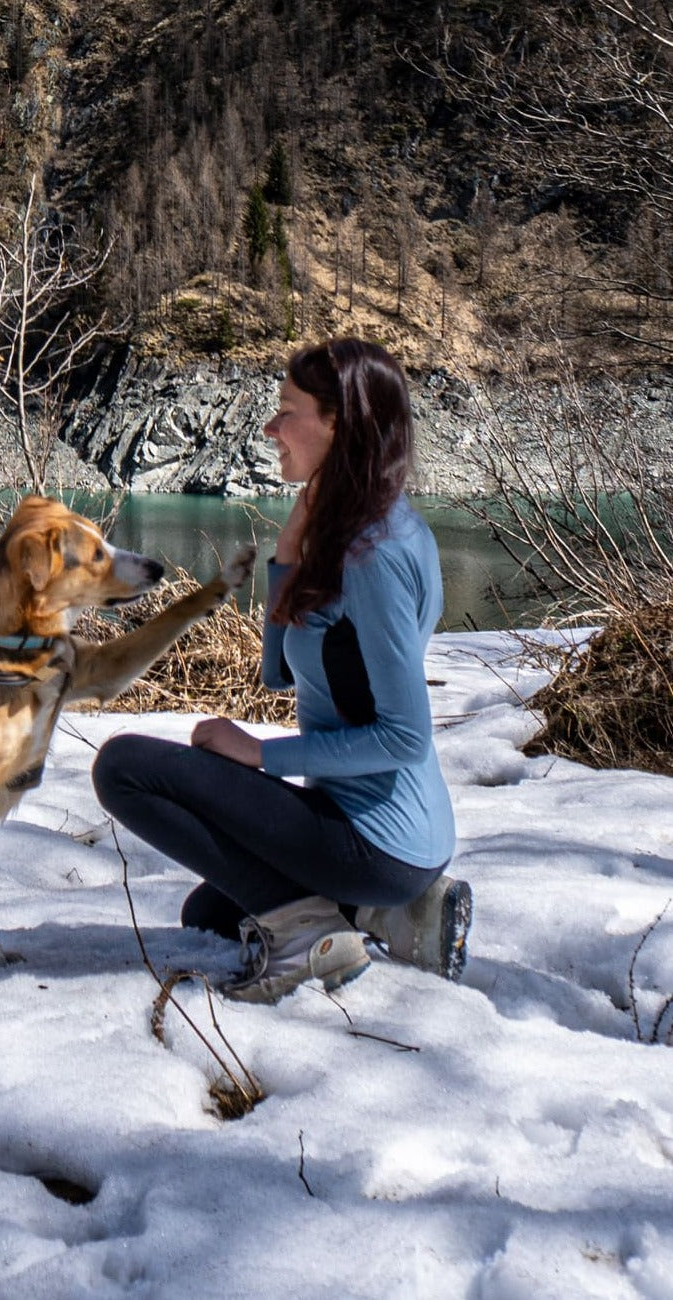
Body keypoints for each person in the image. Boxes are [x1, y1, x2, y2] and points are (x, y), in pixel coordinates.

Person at [92, 338, 471, 1002]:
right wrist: (288, 555)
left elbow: (406, 736)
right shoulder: (368, 529)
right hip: (376, 829)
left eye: (286, 411)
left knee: (123, 767)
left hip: (381, 838)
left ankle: (312, 942)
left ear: (339, 423)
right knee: (209, 913)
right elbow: (280, 675)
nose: (270, 428)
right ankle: (399, 914)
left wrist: (260, 755)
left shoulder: (374, 554)